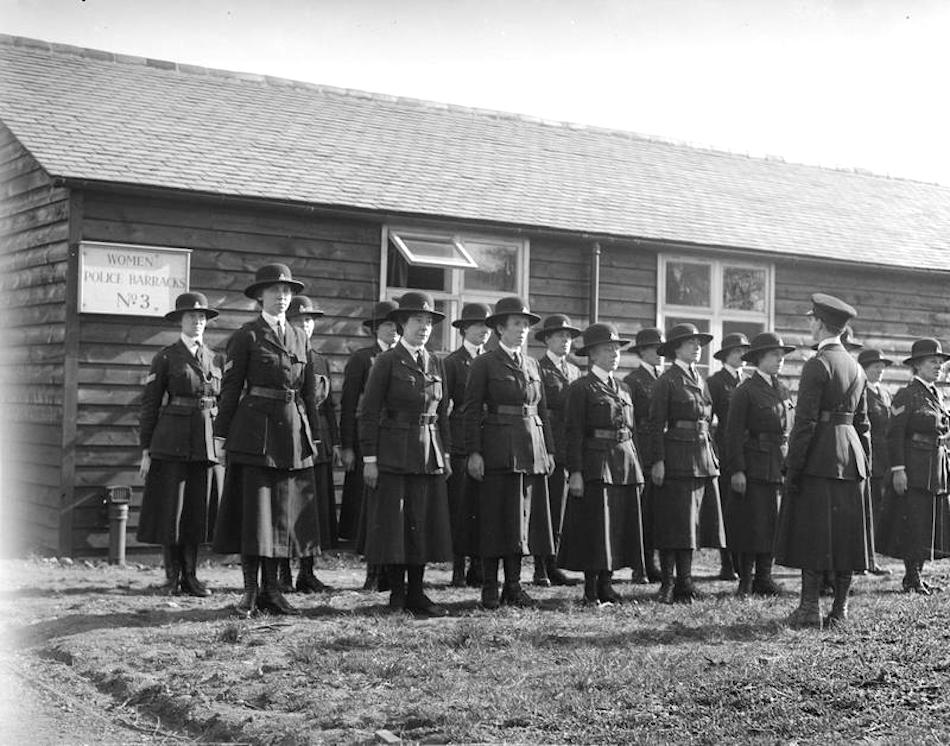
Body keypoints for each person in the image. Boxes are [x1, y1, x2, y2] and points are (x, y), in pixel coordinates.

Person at [212, 264, 324, 617]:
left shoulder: (299, 337)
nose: (282, 297)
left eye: (287, 292)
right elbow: (230, 391)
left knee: (282, 516)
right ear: (260, 295)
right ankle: (249, 591)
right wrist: (220, 434)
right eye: (275, 291)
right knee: (254, 515)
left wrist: (314, 437)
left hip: (291, 435)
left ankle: (273, 591)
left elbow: (307, 394)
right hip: (254, 435)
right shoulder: (246, 336)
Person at [775, 293, 874, 629]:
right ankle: (840, 609)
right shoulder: (856, 367)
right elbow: (864, 425)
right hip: (852, 459)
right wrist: (866, 464)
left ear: (819, 323)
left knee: (813, 533)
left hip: (820, 457)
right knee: (846, 534)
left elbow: (805, 423)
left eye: (811, 320)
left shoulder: (817, 364)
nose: (809, 325)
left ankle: (808, 609)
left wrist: (794, 467)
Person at [358, 292, 453, 617]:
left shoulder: (436, 361)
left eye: (428, 322)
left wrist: (447, 455)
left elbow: (444, 414)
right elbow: (368, 412)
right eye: (418, 321)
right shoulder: (387, 361)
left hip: (429, 453)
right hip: (393, 454)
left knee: (421, 524)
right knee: (395, 525)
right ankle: (397, 595)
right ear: (402, 324)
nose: (424, 328)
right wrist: (370, 459)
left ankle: (418, 592)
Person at [464, 296, 556, 609]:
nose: (522, 330)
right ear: (500, 328)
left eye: (526, 325)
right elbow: (471, 410)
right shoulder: (484, 363)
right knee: (494, 519)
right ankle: (490, 586)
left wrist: (549, 451)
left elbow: (541, 410)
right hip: (497, 451)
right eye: (516, 324)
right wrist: (474, 453)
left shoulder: (532, 365)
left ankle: (513, 586)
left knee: (521, 521)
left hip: (530, 450)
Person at [137, 292, 223, 597]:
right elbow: (149, 405)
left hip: (204, 444)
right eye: (191, 317)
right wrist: (146, 449)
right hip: (170, 442)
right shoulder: (165, 357)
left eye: (202, 318)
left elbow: (221, 404)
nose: (197, 322)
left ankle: (192, 576)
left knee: (196, 511)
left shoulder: (214, 359)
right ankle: (171, 577)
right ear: (180, 321)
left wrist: (221, 443)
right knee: (171, 510)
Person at [558, 323, 645, 605]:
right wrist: (576, 472)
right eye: (607, 349)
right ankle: (591, 589)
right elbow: (573, 432)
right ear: (592, 355)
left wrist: (637, 468)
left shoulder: (623, 387)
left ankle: (607, 585)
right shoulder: (580, 388)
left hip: (624, 462)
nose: (614, 354)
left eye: (617, 349)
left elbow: (632, 429)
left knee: (617, 525)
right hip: (596, 464)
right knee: (595, 527)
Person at [647, 323, 725, 603]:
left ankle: (686, 581)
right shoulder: (667, 380)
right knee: (673, 522)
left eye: (698, 343)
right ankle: (667, 584)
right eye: (690, 343)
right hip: (676, 457)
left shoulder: (700, 378)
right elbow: (655, 424)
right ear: (676, 349)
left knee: (691, 523)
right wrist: (657, 461)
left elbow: (708, 416)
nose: (697, 347)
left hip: (701, 457)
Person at [722, 332, 795, 597]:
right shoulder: (746, 391)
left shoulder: (783, 389)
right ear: (759, 359)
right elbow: (732, 433)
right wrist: (738, 469)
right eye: (774, 355)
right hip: (754, 465)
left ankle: (764, 578)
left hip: (778, 465)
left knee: (771, 525)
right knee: (751, 525)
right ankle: (746, 582)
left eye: (782, 356)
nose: (780, 360)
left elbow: (790, 428)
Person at [876, 338, 950, 594]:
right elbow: (894, 435)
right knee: (914, 522)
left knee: (928, 522)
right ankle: (911, 576)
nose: (938, 367)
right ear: (917, 365)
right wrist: (898, 469)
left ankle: (918, 575)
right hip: (914, 468)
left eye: (940, 363)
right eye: (933, 362)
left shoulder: (936, 395)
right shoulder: (906, 394)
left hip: (936, 468)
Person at [280, 294, 340, 594]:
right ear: (288, 324)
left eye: (310, 320)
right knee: (288, 507)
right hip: (290, 437)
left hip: (318, 442)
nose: (306, 324)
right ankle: (282, 575)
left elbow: (329, 407)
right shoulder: (285, 355)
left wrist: (336, 443)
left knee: (313, 511)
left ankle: (307, 572)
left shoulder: (320, 360)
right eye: (300, 320)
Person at [338, 300, 399, 591]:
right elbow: (349, 404)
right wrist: (348, 446)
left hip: (398, 443)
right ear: (376, 329)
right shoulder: (363, 359)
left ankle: (390, 571)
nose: (394, 330)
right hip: (369, 443)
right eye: (388, 325)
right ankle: (372, 572)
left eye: (397, 325)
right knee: (369, 508)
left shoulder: (405, 358)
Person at [442, 302, 491, 587]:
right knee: (461, 506)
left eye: (486, 326)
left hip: (488, 439)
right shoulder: (452, 362)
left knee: (483, 507)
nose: (483, 331)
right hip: (461, 441)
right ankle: (458, 569)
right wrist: (448, 447)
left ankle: (479, 567)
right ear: (463, 329)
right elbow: (445, 408)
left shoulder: (494, 359)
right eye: (476, 326)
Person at [534, 314, 583, 588]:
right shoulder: (538, 368)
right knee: (546, 506)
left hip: (569, 443)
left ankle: (554, 564)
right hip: (546, 442)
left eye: (568, 337)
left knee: (561, 508)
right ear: (547, 340)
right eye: (559, 336)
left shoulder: (575, 371)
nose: (565, 340)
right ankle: (541, 567)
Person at [623, 327, 665, 583]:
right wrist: (637, 455)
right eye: (654, 349)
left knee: (659, 511)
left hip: (663, 449)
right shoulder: (634, 381)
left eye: (662, 349)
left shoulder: (666, 378)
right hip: (643, 450)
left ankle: (654, 563)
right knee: (643, 511)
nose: (660, 354)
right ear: (642, 352)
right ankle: (641, 565)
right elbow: (632, 422)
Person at [708, 333, 751, 581]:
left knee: (744, 509)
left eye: (745, 351)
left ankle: (742, 561)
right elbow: (707, 419)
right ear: (726, 355)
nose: (742, 356)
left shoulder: (748, 381)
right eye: (737, 351)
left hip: (749, 451)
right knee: (727, 507)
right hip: (725, 450)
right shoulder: (716, 382)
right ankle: (727, 564)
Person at [857, 348, 895, 577]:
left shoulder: (885, 393)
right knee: (866, 509)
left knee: (878, 510)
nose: (880, 370)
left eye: (882, 366)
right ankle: (863, 560)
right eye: (875, 366)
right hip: (867, 457)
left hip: (885, 460)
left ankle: (872, 559)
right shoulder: (860, 392)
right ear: (864, 369)